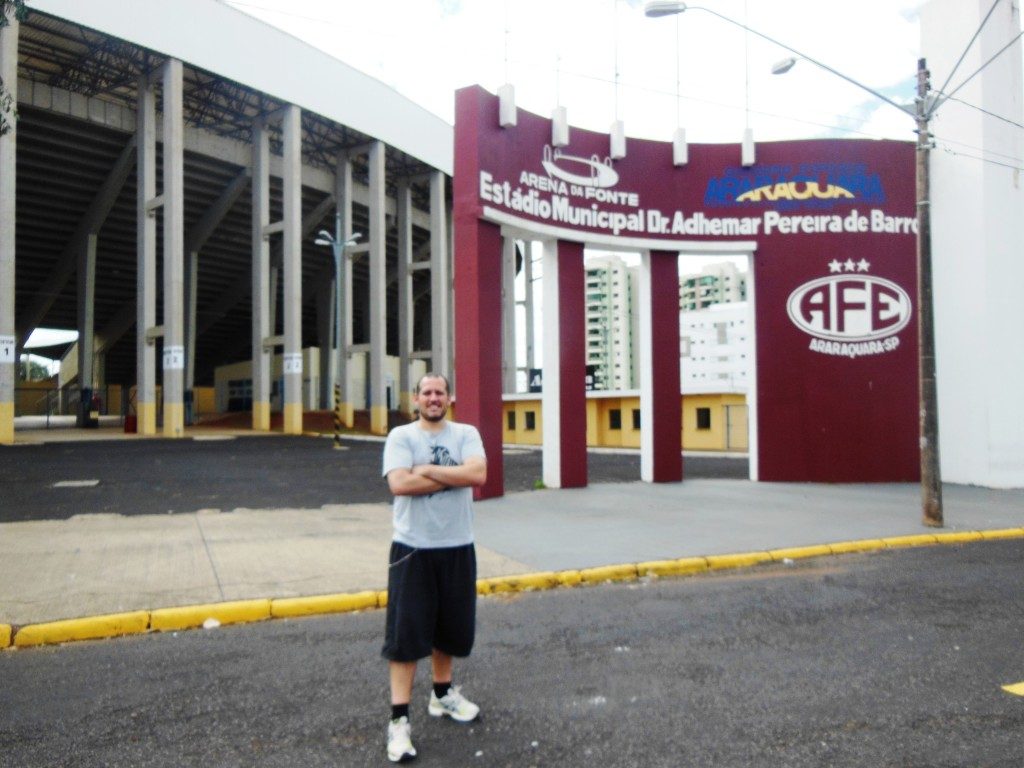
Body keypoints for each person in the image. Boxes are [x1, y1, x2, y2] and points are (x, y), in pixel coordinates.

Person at [381, 372, 487, 763]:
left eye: (439, 392)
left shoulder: (466, 433)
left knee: (450, 630)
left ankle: (442, 695)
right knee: (406, 638)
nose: (433, 398)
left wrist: (426, 471)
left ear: (450, 397)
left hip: (458, 547)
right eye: (426, 392)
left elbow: (477, 475)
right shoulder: (402, 437)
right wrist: (451, 477)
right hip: (414, 549)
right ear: (416, 399)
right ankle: (399, 721)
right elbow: (399, 484)